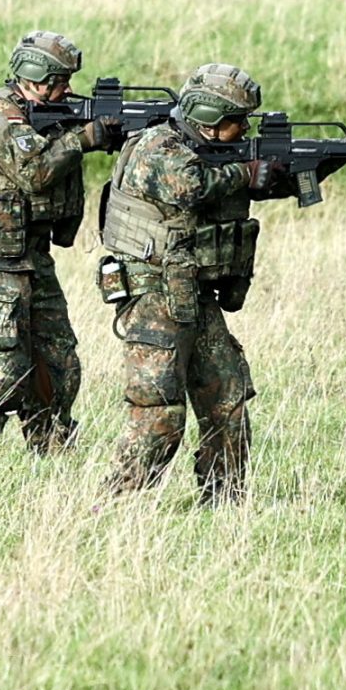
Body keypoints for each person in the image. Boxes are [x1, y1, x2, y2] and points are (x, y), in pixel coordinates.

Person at [97, 64, 286, 500]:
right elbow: (190, 185)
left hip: (193, 294)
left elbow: (247, 182)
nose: (245, 129)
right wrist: (248, 173)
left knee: (228, 397)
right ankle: (116, 505)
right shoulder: (157, 147)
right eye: (239, 120)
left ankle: (223, 499)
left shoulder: (211, 151)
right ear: (210, 117)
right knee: (158, 409)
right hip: (153, 294)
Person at [0, 30, 117, 458]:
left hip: (31, 255)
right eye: (59, 81)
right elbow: (34, 170)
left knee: (58, 359)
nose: (67, 90)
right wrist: (85, 139)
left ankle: (52, 448)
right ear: (35, 78)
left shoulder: (44, 114)